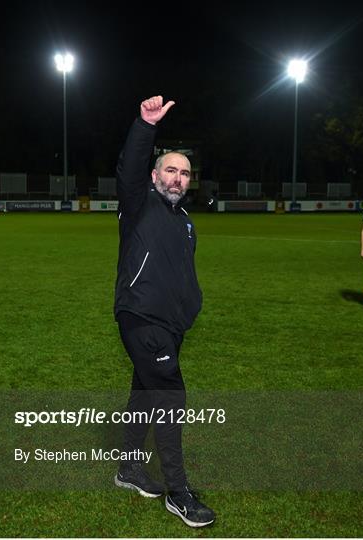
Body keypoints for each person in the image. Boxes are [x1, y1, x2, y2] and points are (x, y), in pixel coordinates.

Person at [113, 95, 215, 528]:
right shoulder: (138, 204)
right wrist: (144, 125)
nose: (177, 178)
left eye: (184, 173)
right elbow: (128, 168)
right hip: (141, 318)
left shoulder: (185, 220)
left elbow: (183, 275)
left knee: (144, 395)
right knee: (172, 397)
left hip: (172, 327)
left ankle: (129, 468)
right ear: (155, 175)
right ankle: (178, 493)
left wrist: (191, 308)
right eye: (170, 170)